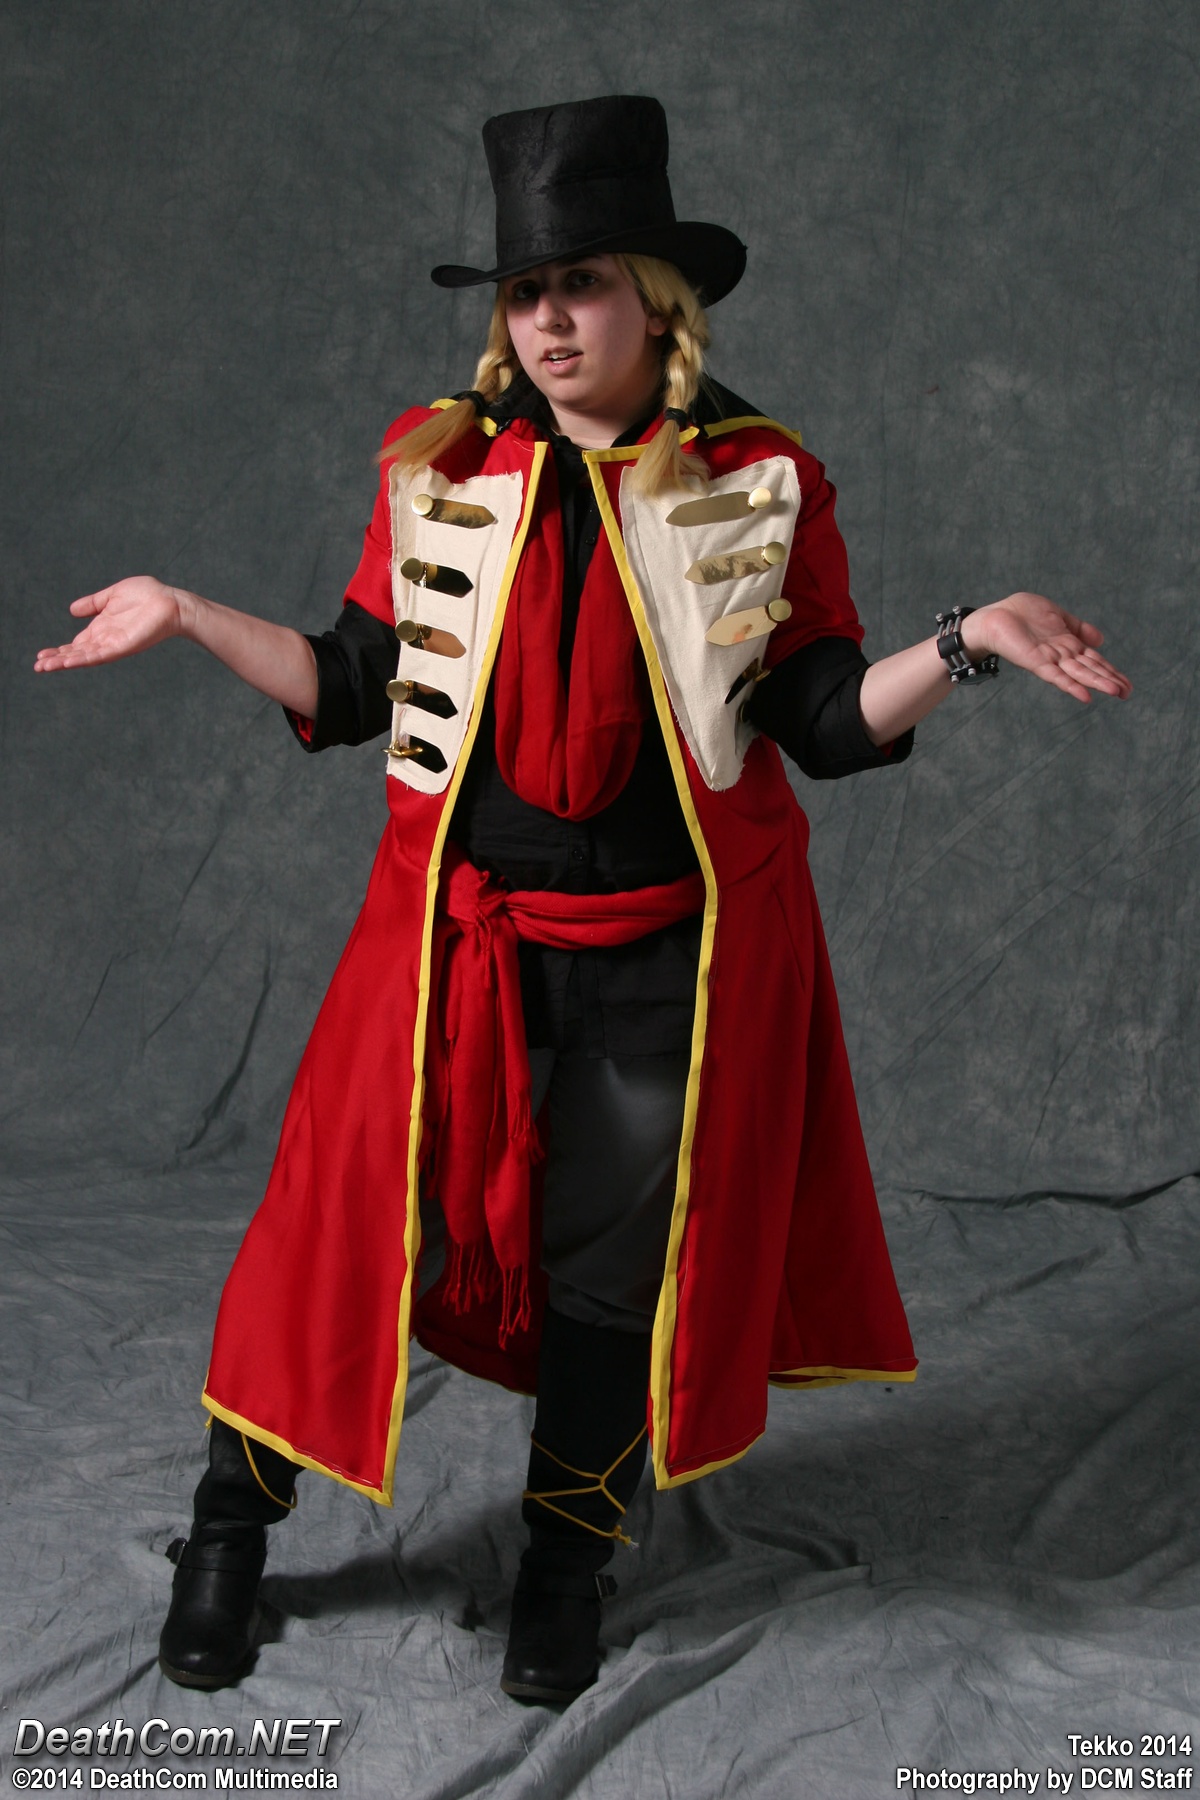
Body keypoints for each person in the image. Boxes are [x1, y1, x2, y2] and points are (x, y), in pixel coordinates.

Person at [35, 95, 1130, 1706]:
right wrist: (193, 615)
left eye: (585, 285)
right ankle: (230, 1531)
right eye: (527, 292)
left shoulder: (759, 475)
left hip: (660, 960)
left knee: (612, 1272)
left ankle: (565, 1558)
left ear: (656, 302)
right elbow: (352, 684)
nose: (551, 322)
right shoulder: (441, 463)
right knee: (335, 1231)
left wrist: (966, 642)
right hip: (450, 944)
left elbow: (825, 719)